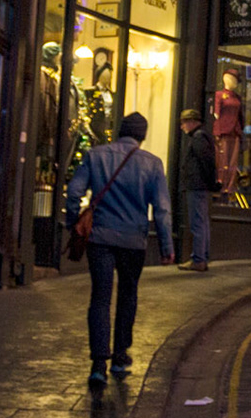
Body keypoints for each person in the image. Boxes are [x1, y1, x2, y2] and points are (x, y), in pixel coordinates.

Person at [64, 112, 173, 388]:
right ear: (143, 136)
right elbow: (162, 209)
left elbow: (74, 192)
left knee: (100, 298)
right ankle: (120, 356)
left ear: (119, 131)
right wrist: (166, 246)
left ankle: (98, 364)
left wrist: (73, 222)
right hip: (133, 241)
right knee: (128, 295)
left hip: (100, 238)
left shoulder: (95, 155)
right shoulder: (152, 164)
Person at [178, 108, 218, 273]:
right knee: (202, 222)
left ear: (192, 122)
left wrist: (208, 181)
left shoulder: (198, 137)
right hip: (201, 185)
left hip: (197, 185)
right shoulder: (202, 136)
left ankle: (198, 259)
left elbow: (206, 161)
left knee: (198, 223)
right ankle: (202, 257)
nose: (182, 127)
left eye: (183, 123)